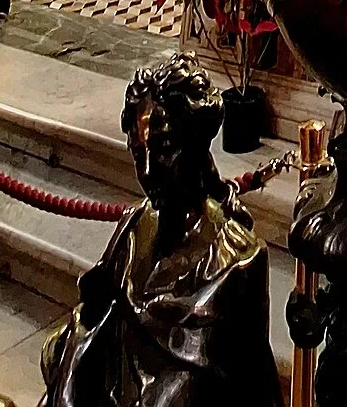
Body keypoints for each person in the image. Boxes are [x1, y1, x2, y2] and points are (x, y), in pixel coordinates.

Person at [43, 54, 283, 407]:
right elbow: (88, 322)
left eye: (164, 148)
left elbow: (256, 386)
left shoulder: (238, 260)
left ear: (196, 143)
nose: (147, 170)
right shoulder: (136, 227)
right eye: (137, 151)